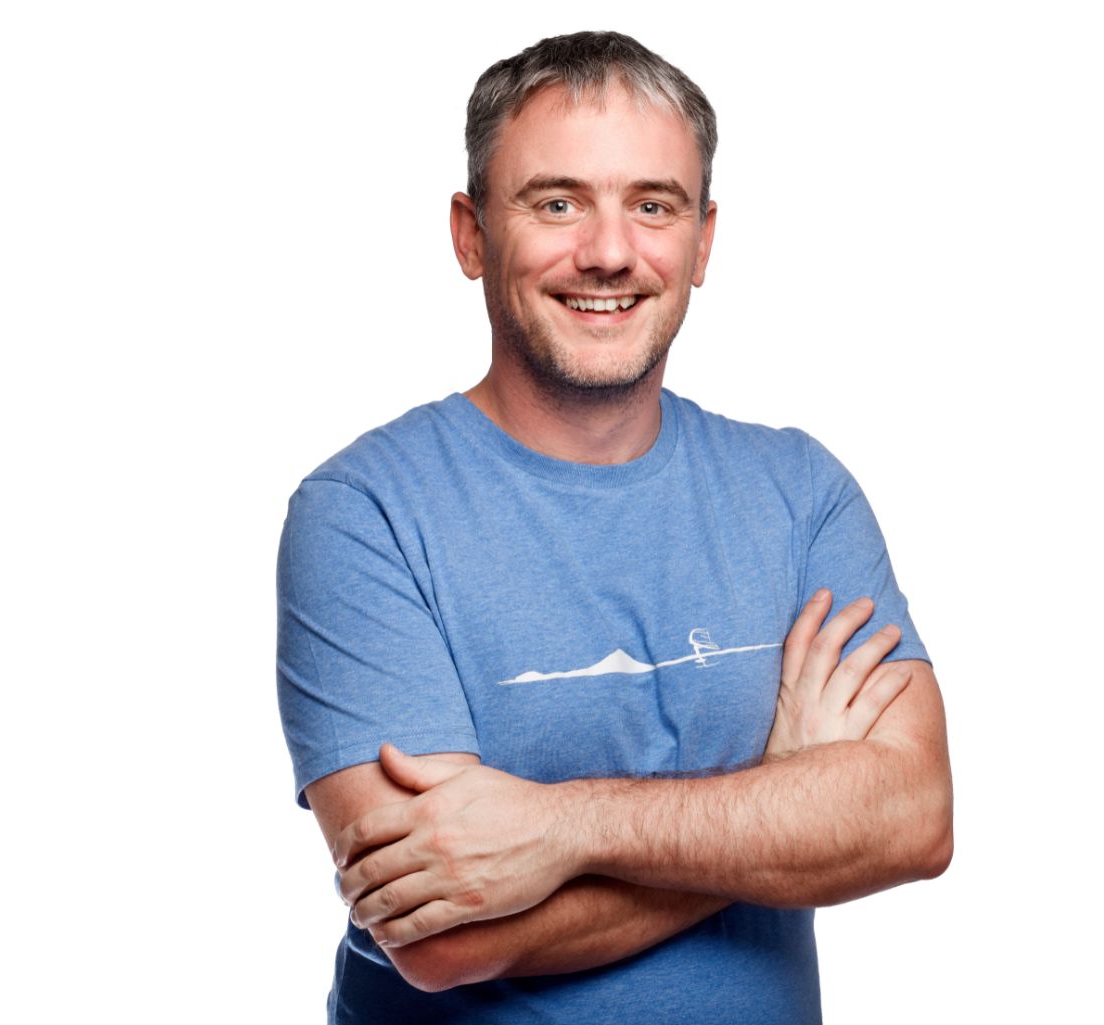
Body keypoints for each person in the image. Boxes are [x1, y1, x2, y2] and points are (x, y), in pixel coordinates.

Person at [277, 30, 952, 1025]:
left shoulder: (799, 491)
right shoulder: (364, 513)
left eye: (653, 205)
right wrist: (783, 799)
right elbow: (443, 935)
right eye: (556, 203)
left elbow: (913, 817)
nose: (607, 251)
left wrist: (561, 828)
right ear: (471, 235)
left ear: (703, 242)